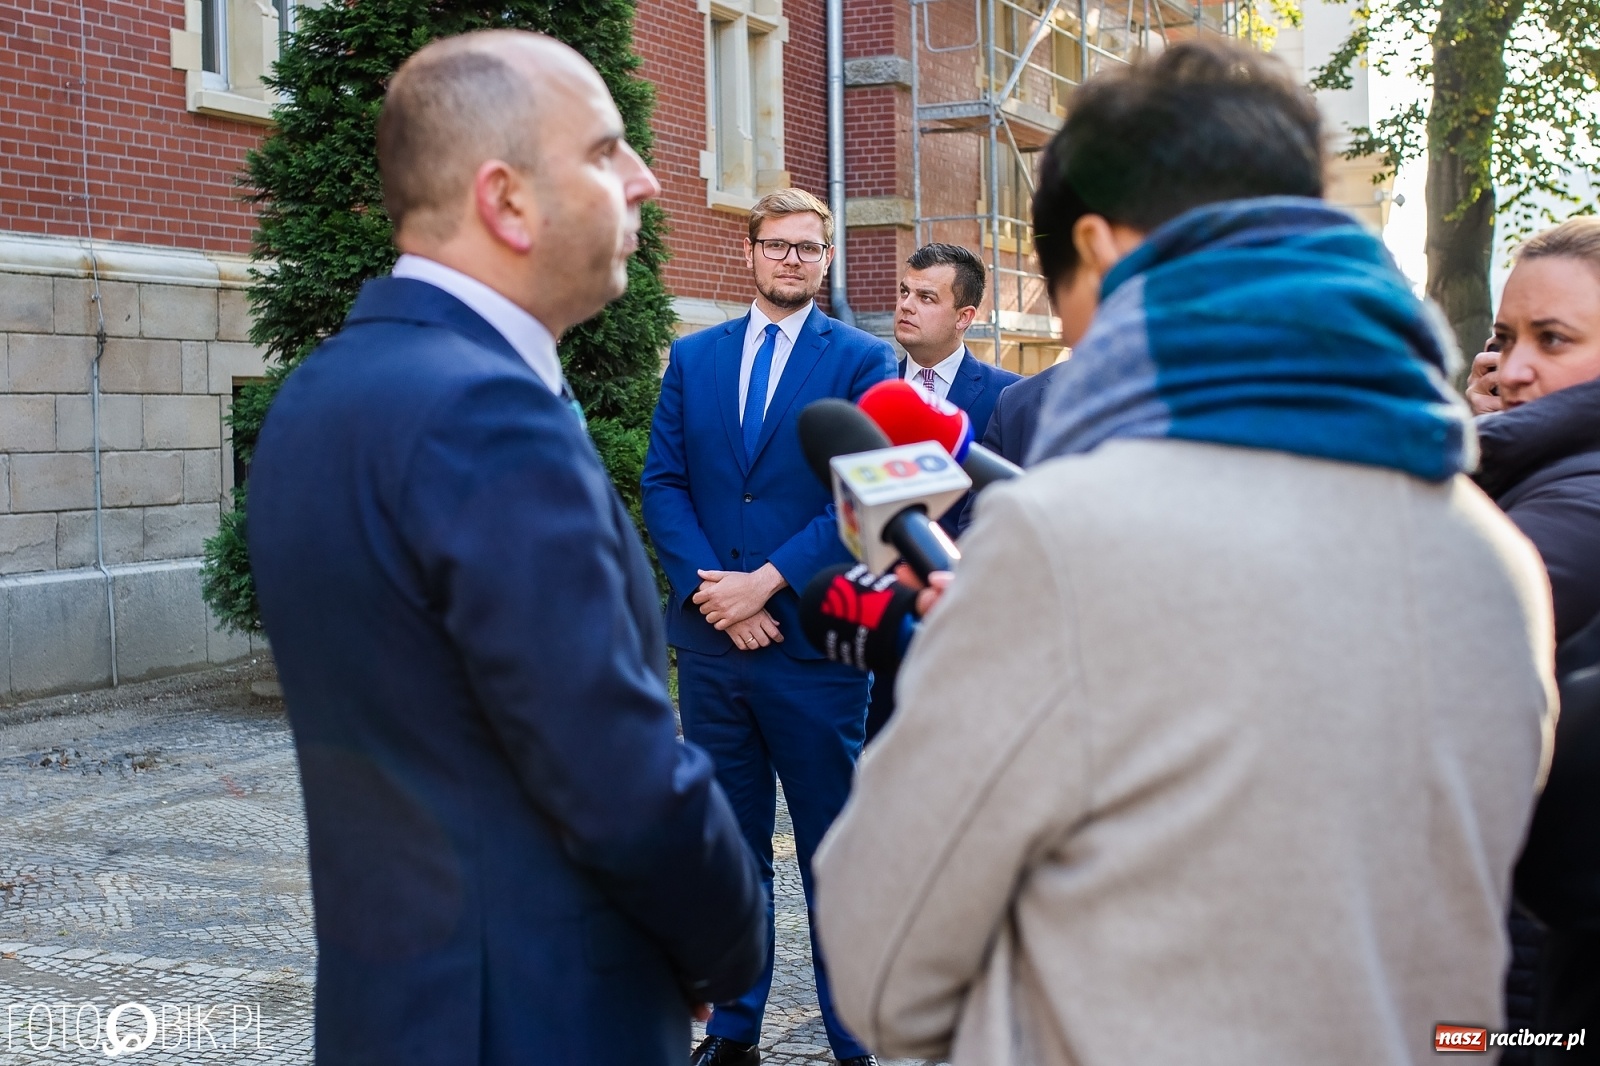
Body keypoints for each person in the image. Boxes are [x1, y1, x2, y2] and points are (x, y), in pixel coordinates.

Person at [813, 38, 1556, 1066]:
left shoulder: (1063, 541)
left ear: (1105, 251)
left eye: (1063, 294)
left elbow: (881, 964)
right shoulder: (1490, 548)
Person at [247, 32, 765, 1065]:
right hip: (537, 1016)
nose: (648, 181)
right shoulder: (485, 411)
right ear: (507, 201)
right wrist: (729, 943)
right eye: (607, 150)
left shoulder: (320, 389)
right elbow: (616, 773)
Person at [641, 189, 895, 1066]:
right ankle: (736, 1030)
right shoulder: (694, 357)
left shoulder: (865, 362)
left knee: (836, 850)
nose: (792, 260)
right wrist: (718, 593)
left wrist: (768, 584)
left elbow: (863, 494)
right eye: (777, 245)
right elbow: (664, 484)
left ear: (826, 260)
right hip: (713, 647)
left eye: (809, 248)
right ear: (748, 253)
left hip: (814, 649)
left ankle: (856, 1036)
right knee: (729, 849)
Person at [1464, 218, 1600, 1057]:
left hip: (1543, 973)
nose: (1513, 372)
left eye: (1553, 341)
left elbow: (1453, 621)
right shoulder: (1540, 466)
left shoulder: (1583, 498)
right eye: (1503, 338)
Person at [865, 244, 1020, 741]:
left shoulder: (1009, 396)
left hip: (963, 624)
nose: (906, 305)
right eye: (904, 292)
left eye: (926, 297)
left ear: (964, 316)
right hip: (875, 627)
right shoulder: (869, 385)